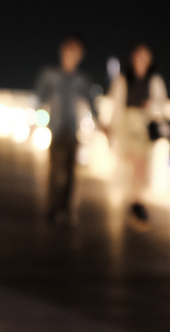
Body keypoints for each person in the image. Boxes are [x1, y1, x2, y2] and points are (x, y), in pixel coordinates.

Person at [35, 34, 96, 224]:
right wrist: (37, 120)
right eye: (70, 51)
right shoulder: (49, 75)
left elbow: (91, 102)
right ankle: (53, 209)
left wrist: (100, 122)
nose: (72, 56)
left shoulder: (81, 79)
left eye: (77, 53)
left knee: (71, 171)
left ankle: (67, 209)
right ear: (62, 52)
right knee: (55, 169)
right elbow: (39, 98)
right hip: (56, 127)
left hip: (73, 129)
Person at [107, 43, 168, 230]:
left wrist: (152, 106)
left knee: (141, 163)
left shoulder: (155, 80)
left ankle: (136, 203)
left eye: (146, 57)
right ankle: (136, 203)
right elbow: (116, 106)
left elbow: (162, 104)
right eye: (139, 56)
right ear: (133, 58)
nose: (142, 60)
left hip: (144, 127)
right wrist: (111, 129)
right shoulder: (123, 79)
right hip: (127, 127)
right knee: (136, 161)